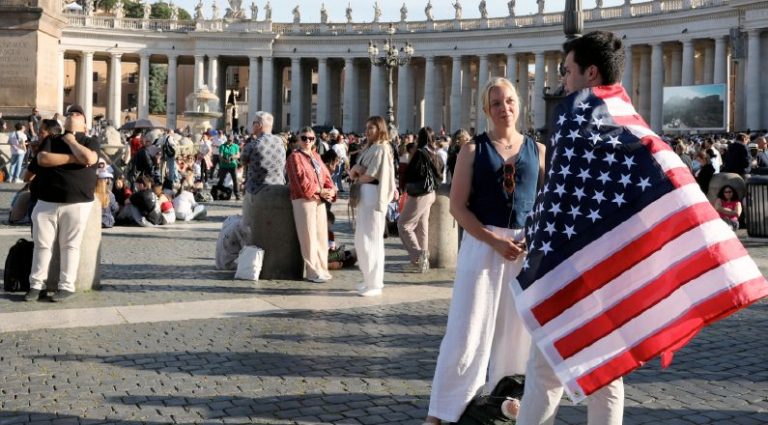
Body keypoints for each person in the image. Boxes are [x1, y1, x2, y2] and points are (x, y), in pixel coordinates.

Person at [517, 30, 626, 425]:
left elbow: (559, 196)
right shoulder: (628, 122)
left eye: (566, 71)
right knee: (604, 371)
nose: (562, 80)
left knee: (546, 367)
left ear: (590, 72)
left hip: (568, 262)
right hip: (610, 264)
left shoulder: (577, 120)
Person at [425, 77, 543, 424]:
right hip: (482, 246)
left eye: (509, 101)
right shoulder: (472, 150)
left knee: (516, 334)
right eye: (496, 103)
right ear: (486, 110)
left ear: (519, 104)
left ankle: (504, 405)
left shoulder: (539, 150)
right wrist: (493, 240)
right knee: (467, 331)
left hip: (522, 251)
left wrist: (531, 236)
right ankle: (441, 412)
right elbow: (457, 206)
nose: (504, 108)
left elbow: (547, 204)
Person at [24, 104, 99, 302]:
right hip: (46, 201)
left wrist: (71, 141)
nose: (73, 115)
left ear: (85, 124)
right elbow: (43, 159)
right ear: (64, 122)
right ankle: (36, 285)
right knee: (42, 245)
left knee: (71, 246)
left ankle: (66, 286)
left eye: (78, 114)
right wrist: (74, 158)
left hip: (78, 202)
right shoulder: (52, 139)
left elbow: (89, 157)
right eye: (70, 113)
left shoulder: (91, 141)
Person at [348, 116, 396, 297]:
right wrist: (356, 172)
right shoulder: (370, 147)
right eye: (367, 127)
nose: (367, 131)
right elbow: (357, 170)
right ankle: (368, 278)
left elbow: (371, 174)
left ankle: (375, 283)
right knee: (361, 239)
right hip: (365, 196)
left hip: (373, 197)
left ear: (380, 129)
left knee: (372, 241)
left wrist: (356, 174)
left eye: (372, 128)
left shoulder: (381, 148)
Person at [286, 126, 336, 283]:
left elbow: (326, 175)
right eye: (304, 138)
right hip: (303, 199)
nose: (307, 141)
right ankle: (312, 271)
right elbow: (300, 180)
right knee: (308, 236)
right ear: (298, 139)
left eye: (311, 138)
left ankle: (322, 268)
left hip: (319, 200)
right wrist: (320, 191)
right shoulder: (294, 157)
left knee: (321, 235)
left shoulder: (316, 156)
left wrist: (330, 190)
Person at [398, 127, 444, 273]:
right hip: (431, 193)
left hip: (420, 194)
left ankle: (419, 256)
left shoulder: (419, 153)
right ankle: (420, 263)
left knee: (403, 225)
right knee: (422, 226)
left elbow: (411, 173)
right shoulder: (435, 152)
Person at [241, 111, 286, 197]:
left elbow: (242, 161)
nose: (252, 125)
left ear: (259, 125)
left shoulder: (252, 145)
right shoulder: (280, 141)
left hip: (257, 191)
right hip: (279, 189)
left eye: (253, 123)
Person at [215, 135, 241, 201]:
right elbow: (220, 156)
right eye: (229, 140)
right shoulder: (222, 146)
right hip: (224, 166)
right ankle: (217, 193)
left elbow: (238, 155)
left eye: (231, 140)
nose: (230, 141)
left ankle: (237, 194)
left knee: (235, 180)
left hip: (233, 165)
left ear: (233, 140)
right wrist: (225, 160)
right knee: (221, 180)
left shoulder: (236, 146)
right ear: (227, 139)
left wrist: (233, 157)